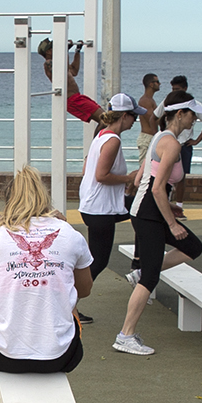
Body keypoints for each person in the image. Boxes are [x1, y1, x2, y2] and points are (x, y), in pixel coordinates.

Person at [0, 168, 93, 376]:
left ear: (8, 200)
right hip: (63, 356)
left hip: (2, 357)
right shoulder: (69, 233)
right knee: (65, 279)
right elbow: (84, 290)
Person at [114, 94, 202, 357]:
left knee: (192, 246)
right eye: (192, 115)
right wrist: (171, 222)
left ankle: (142, 271)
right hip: (148, 213)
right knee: (151, 276)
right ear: (179, 115)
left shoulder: (160, 137)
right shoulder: (171, 144)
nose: (195, 120)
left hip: (149, 209)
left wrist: (168, 206)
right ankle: (125, 335)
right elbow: (156, 188)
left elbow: (144, 175)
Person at [77, 93, 141, 324]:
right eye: (133, 117)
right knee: (98, 261)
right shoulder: (112, 139)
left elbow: (87, 171)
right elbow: (101, 175)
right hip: (100, 210)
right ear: (124, 116)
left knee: (140, 209)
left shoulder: (101, 135)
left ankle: (140, 258)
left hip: (95, 206)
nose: (135, 122)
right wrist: (129, 178)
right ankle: (66, 305)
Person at [39, 38, 99, 123]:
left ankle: (102, 136)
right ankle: (102, 136)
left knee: (105, 119)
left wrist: (77, 51)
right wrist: (65, 51)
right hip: (72, 100)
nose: (58, 49)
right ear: (48, 51)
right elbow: (63, 71)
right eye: (54, 47)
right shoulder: (48, 63)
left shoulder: (58, 62)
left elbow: (74, 71)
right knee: (104, 120)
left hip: (77, 97)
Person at [169, 75, 202, 173]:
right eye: (173, 89)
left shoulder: (194, 104)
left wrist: (197, 140)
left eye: (177, 89)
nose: (175, 92)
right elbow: (155, 117)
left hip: (185, 145)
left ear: (185, 88)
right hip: (170, 143)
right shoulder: (169, 102)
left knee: (183, 176)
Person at [135, 72, 163, 160]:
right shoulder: (145, 101)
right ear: (151, 84)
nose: (159, 84)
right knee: (145, 167)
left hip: (150, 137)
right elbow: (153, 120)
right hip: (147, 138)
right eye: (157, 82)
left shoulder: (150, 100)